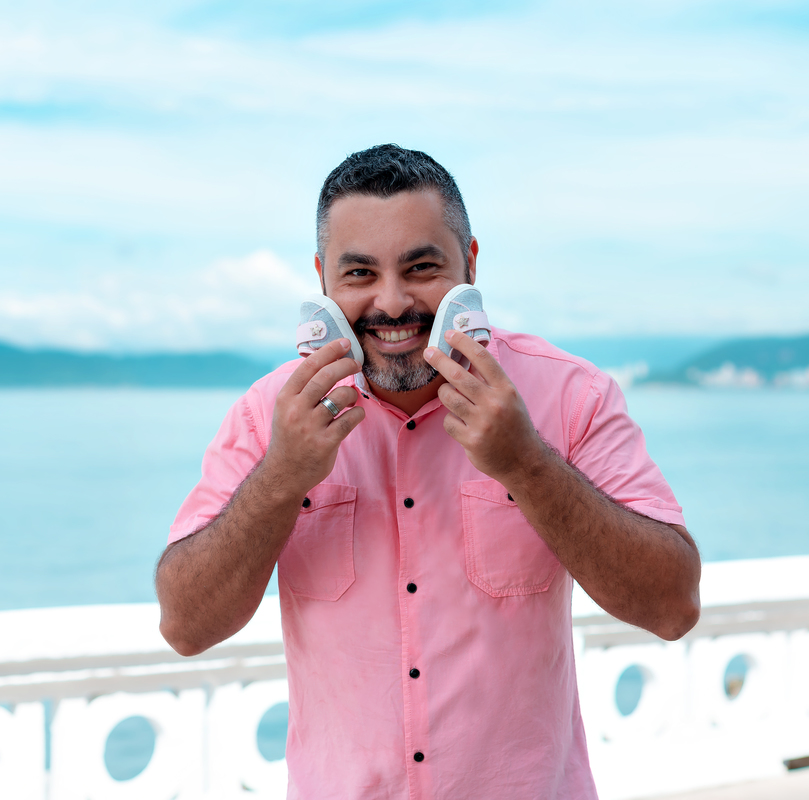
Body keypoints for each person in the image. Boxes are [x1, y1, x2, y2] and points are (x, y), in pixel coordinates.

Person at [157, 144, 701, 798]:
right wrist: (280, 477)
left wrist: (527, 464)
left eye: (421, 267)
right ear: (323, 279)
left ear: (470, 262)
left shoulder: (571, 395)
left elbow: (673, 607)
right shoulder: (265, 414)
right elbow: (185, 626)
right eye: (360, 273)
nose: (391, 303)